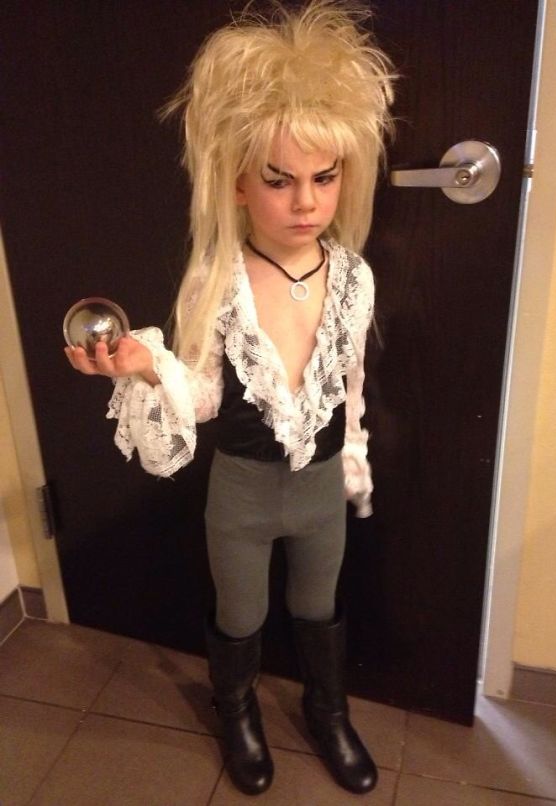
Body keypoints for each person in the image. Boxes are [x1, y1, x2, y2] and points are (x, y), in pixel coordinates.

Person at [65, 0, 395, 796]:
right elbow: (206, 395)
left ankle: (327, 709)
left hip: (317, 492)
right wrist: (148, 367)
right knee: (240, 614)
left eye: (323, 177)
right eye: (279, 180)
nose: (305, 201)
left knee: (319, 604)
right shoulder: (216, 279)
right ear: (240, 182)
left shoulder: (352, 275)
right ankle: (238, 709)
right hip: (241, 495)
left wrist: (351, 463)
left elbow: (348, 387)